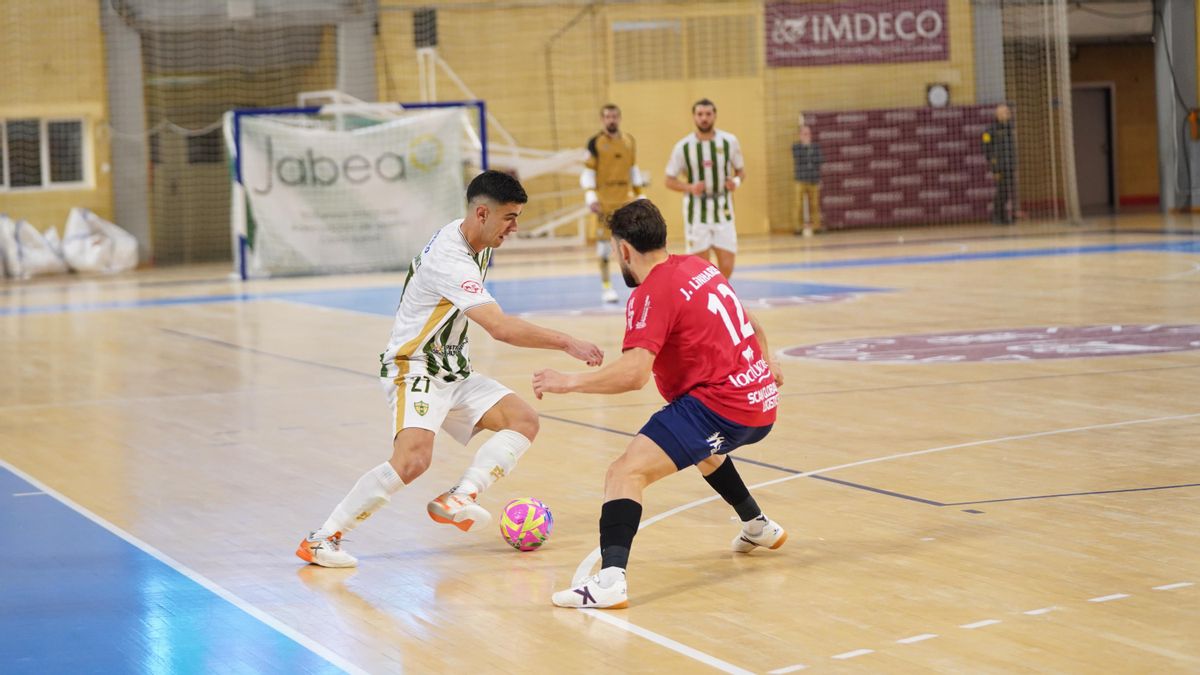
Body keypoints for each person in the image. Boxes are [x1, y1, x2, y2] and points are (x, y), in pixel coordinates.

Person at [297, 170, 605, 568]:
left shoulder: (477, 237)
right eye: (509, 217)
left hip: (452, 368)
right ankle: (322, 539)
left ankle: (460, 496)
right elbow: (500, 328)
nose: (515, 227)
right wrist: (568, 342)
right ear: (482, 213)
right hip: (416, 367)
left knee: (522, 419)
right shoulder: (451, 258)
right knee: (412, 461)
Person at [532, 198, 786, 609]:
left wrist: (569, 382)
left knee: (624, 473)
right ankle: (758, 525)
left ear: (624, 250)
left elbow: (634, 375)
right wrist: (766, 362)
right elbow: (752, 323)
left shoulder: (651, 293)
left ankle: (611, 581)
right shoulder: (701, 267)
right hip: (761, 404)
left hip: (722, 405)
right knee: (702, 448)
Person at [664, 98, 745, 280]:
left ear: (715, 115)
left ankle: (719, 292)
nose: (704, 118)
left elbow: (741, 171)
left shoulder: (729, 141)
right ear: (694, 117)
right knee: (700, 267)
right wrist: (689, 187)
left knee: (727, 264)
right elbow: (668, 180)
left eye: (708, 114)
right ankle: (705, 300)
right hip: (696, 210)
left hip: (723, 207)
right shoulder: (683, 147)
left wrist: (736, 182)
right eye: (700, 114)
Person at [580, 103, 647, 304]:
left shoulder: (629, 141)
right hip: (604, 203)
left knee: (634, 245)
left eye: (614, 116)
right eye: (607, 116)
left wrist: (640, 193)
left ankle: (639, 284)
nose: (611, 120)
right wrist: (591, 196)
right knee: (603, 249)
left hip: (625, 201)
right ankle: (607, 287)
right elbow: (588, 173)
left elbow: (633, 169)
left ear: (619, 118)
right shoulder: (595, 143)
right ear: (602, 119)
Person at [981, 103, 1016, 225]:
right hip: (999, 167)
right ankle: (996, 216)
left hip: (1009, 165)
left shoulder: (1009, 129)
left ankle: (1004, 216)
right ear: (997, 114)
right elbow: (986, 150)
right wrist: (994, 168)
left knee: (1007, 192)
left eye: (1007, 112)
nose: (1007, 115)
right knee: (1001, 192)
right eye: (1004, 113)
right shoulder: (990, 130)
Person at [791, 123, 823, 237]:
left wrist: (809, 151)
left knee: (815, 205)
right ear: (800, 135)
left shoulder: (815, 147)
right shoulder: (796, 147)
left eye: (808, 133)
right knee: (798, 204)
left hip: (813, 180)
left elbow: (820, 160)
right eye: (804, 133)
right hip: (800, 180)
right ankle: (797, 227)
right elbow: (799, 159)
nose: (806, 135)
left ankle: (817, 227)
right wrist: (806, 149)